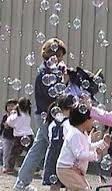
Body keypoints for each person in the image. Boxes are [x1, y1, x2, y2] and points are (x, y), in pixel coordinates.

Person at [14, 38, 67, 189]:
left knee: (37, 150)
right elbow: (54, 96)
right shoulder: (45, 73)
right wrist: (62, 80)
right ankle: (55, 183)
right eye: (59, 56)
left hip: (46, 116)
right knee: (56, 147)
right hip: (48, 117)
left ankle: (21, 184)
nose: (61, 59)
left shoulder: (49, 71)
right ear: (52, 55)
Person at [56, 105, 110, 190]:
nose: (93, 121)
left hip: (73, 169)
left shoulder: (82, 133)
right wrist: (95, 154)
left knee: (80, 188)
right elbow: (80, 154)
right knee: (84, 188)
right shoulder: (75, 134)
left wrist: (103, 143)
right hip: (66, 169)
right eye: (91, 119)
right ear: (84, 120)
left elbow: (88, 147)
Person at [42, 95, 73, 191]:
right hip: (65, 155)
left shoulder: (52, 124)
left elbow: (51, 139)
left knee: (54, 183)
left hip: (52, 156)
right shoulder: (69, 124)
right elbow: (71, 140)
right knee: (70, 183)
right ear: (69, 108)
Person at [6, 97, 34, 172]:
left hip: (19, 137)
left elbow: (9, 123)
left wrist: (12, 113)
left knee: (14, 153)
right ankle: (34, 166)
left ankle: (10, 167)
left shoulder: (15, 115)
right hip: (29, 135)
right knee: (31, 152)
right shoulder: (28, 114)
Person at [0, 99, 18, 173]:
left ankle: (11, 167)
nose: (10, 107)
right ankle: (5, 166)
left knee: (13, 153)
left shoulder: (17, 117)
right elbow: (1, 126)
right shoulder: (5, 116)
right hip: (6, 137)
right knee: (6, 153)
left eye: (12, 106)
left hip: (15, 137)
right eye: (8, 106)